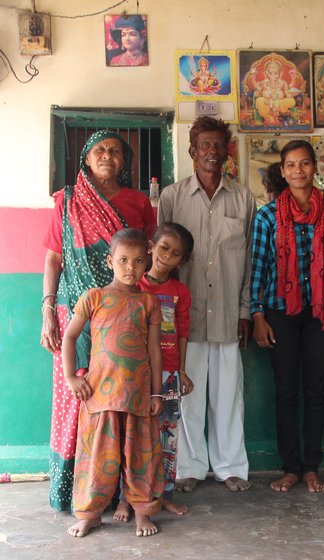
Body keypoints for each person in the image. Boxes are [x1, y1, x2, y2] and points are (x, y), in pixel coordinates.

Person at [41, 130, 156, 511]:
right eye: (100, 150)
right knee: (79, 397)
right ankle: (76, 493)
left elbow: (146, 258)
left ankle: (120, 495)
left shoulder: (138, 202)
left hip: (124, 318)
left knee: (121, 403)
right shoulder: (68, 200)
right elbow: (55, 259)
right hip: (76, 309)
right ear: (86, 159)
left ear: (125, 162)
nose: (108, 156)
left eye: (116, 151)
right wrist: (47, 312)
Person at [158, 117, 255, 493]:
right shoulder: (172, 197)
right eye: (205, 146)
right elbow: (161, 260)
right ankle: (189, 468)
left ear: (227, 151)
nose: (212, 153)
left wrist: (246, 311)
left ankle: (231, 466)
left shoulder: (244, 198)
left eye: (219, 146)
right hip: (184, 317)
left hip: (229, 312)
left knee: (229, 396)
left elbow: (248, 262)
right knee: (187, 393)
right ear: (192, 151)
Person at [250, 140, 324, 493]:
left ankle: (311, 467)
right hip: (279, 311)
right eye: (291, 165)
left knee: (315, 391)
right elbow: (257, 269)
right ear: (283, 171)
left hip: (321, 313)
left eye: (305, 164)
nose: (298, 171)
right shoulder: (267, 216)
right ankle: (290, 467)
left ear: (315, 168)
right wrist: (258, 315)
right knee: (286, 391)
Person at [62, 228, 163, 538]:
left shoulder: (149, 302)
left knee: (140, 456)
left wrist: (157, 392)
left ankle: (142, 512)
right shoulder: (94, 297)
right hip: (99, 394)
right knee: (97, 457)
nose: (130, 268)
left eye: (137, 261)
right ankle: (91, 514)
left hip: (137, 395)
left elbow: (154, 349)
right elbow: (69, 336)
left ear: (147, 263)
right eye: (123, 260)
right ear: (110, 261)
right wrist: (70, 377)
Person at [114, 222, 195, 522]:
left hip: (169, 374)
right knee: (131, 436)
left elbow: (183, 332)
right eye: (163, 248)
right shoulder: (134, 287)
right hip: (137, 374)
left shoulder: (180, 292)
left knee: (167, 437)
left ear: (181, 261)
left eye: (175, 254)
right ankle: (127, 498)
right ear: (151, 246)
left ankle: (164, 496)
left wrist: (182, 371)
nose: (167, 256)